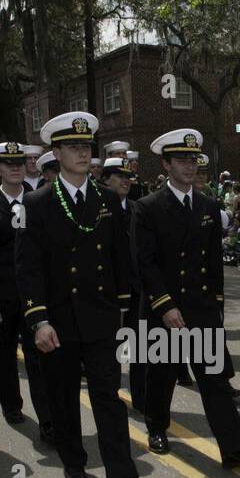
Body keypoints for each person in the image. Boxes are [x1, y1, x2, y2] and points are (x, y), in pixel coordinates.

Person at [16, 110, 156, 478]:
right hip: (58, 320)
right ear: (56, 153)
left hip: (100, 317)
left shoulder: (108, 199)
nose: (82, 153)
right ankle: (74, 461)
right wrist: (37, 318)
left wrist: (124, 308)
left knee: (108, 397)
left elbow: (118, 259)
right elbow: (27, 268)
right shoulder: (38, 202)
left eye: (86, 146)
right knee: (63, 398)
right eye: (73, 147)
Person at [132, 128, 240, 469]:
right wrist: (165, 305)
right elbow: (145, 263)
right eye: (181, 160)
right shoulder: (147, 207)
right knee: (161, 376)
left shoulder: (207, 204)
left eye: (193, 160)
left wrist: (216, 304)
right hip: (166, 310)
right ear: (165, 164)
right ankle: (157, 427)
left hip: (201, 308)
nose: (189, 167)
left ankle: (234, 449)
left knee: (215, 381)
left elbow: (211, 263)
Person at [0, 141, 53, 438]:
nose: (16, 167)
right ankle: (11, 405)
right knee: (5, 353)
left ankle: (47, 420)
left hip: (34, 294)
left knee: (38, 356)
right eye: (9, 164)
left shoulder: (40, 201)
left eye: (20, 162)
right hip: (3, 296)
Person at [101, 156, 147, 415]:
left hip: (135, 289)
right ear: (106, 180)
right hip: (106, 291)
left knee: (139, 347)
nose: (126, 181)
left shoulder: (138, 209)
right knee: (111, 348)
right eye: (119, 176)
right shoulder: (97, 208)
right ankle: (110, 396)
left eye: (128, 177)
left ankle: (141, 397)